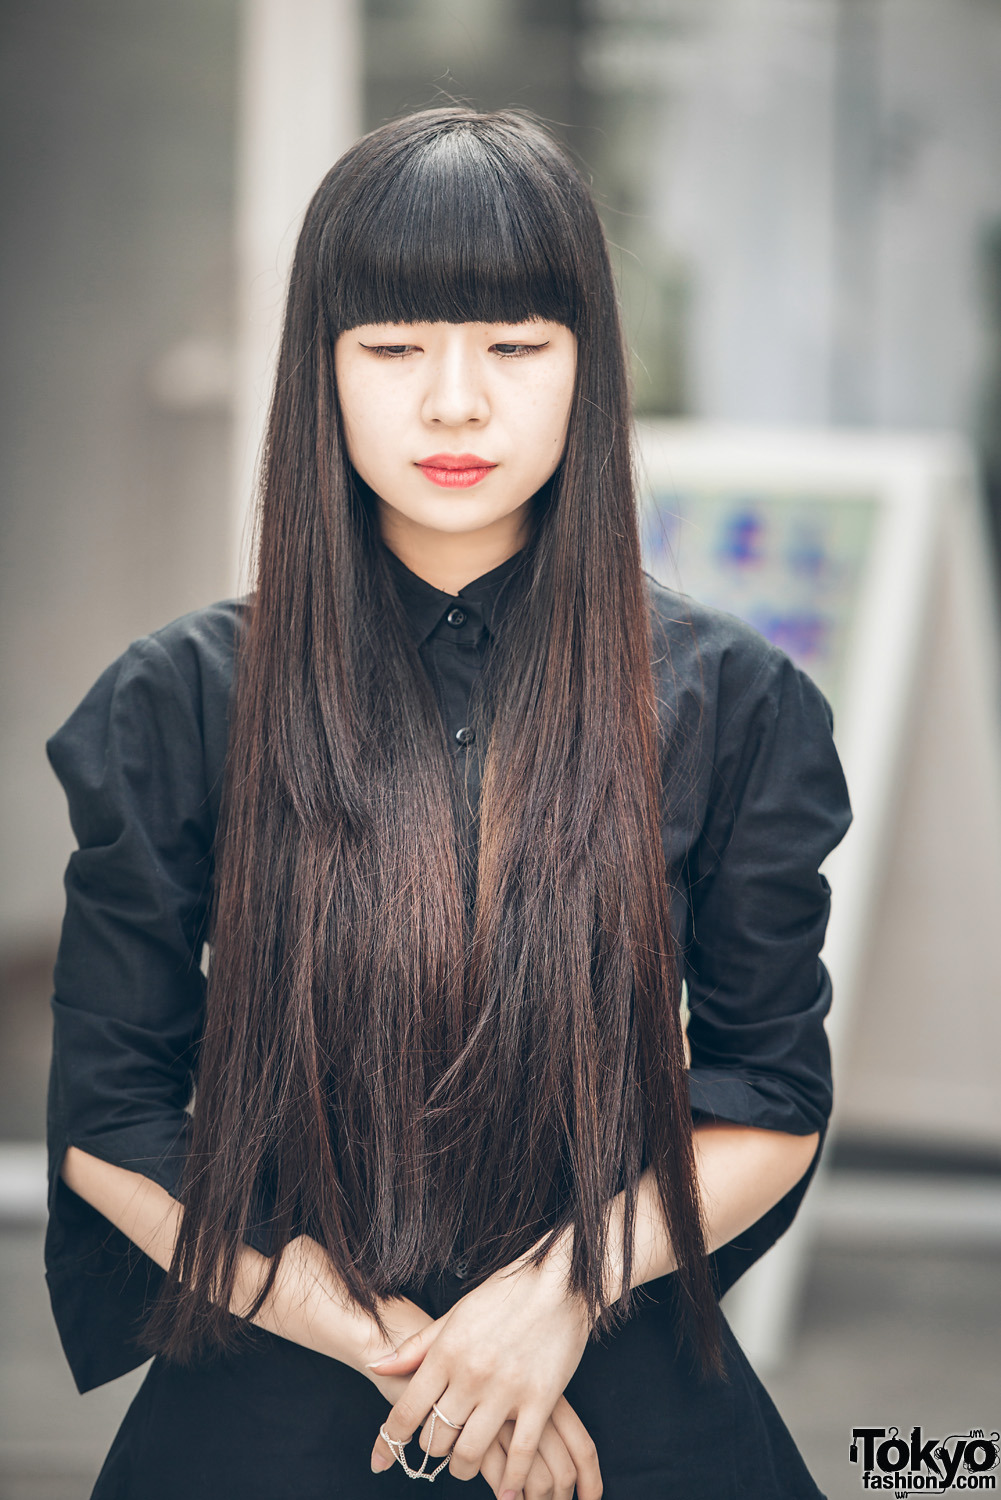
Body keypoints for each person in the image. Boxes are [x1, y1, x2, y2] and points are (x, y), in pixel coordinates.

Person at [44, 107, 852, 1500]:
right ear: (322, 372)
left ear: (589, 369)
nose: (455, 403)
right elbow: (109, 1118)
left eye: (516, 347)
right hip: (273, 1375)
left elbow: (767, 1090)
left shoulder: (734, 703)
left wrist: (547, 1304)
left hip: (627, 1370)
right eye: (395, 347)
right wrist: (408, 1357)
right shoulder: (180, 699)